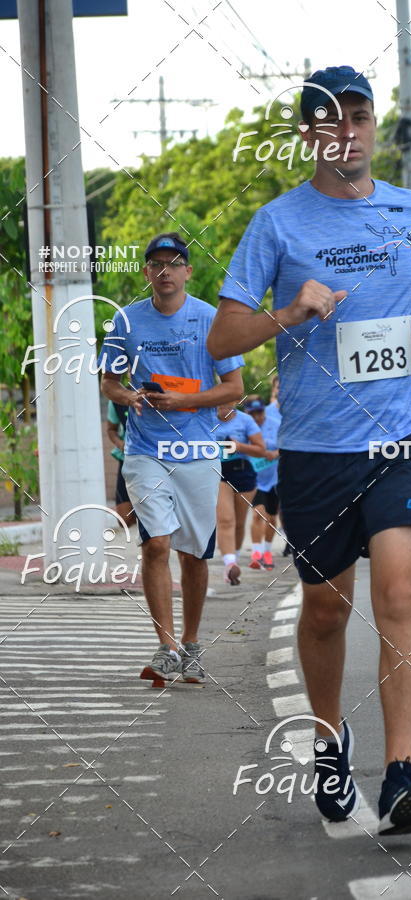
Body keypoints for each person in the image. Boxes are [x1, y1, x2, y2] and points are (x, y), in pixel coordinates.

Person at [207, 65, 411, 835]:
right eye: (331, 119)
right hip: (318, 447)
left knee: (398, 594)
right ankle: (329, 742)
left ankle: (400, 773)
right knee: (326, 610)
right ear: (309, 134)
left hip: (402, 433)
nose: (346, 131)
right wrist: (289, 311)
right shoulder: (278, 224)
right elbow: (222, 335)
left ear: (371, 124)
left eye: (358, 115)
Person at [100, 232, 244, 685]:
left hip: (198, 450)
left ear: (188, 271)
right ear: (146, 272)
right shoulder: (125, 321)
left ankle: (193, 642)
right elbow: (108, 382)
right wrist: (129, 396)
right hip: (145, 450)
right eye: (156, 263)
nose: (165, 271)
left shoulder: (212, 319)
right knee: (156, 543)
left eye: (174, 263)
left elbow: (234, 389)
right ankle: (166, 647)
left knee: (194, 554)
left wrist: (183, 402)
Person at [213, 401, 266, 584]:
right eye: (221, 401)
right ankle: (229, 564)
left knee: (239, 522)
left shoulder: (245, 420)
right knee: (226, 520)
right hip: (216, 472)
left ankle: (233, 558)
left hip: (241, 471)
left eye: (228, 401)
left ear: (236, 401)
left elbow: (260, 449)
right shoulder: (205, 417)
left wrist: (239, 446)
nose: (223, 406)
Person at [246, 397, 280, 570]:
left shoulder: (276, 424)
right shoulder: (245, 428)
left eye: (260, 412)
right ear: (247, 413)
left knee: (272, 518)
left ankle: (267, 551)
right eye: (253, 414)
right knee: (258, 514)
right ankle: (256, 554)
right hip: (255, 479)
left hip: (275, 478)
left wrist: (275, 453)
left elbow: (287, 445)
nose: (257, 417)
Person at [106, 399, 136, 526]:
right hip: (127, 460)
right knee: (125, 519)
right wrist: (120, 444)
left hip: (155, 458)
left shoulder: (158, 395)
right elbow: (111, 429)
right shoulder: (116, 399)